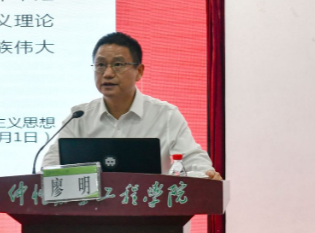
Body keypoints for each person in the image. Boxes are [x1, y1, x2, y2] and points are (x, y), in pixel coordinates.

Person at [40, 32, 223, 180]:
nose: (108, 73)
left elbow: (191, 157)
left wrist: (205, 174)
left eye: (118, 64)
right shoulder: (79, 116)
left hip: (151, 211)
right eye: (100, 65)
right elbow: (51, 164)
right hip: (91, 213)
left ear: (139, 71)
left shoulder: (165, 115)